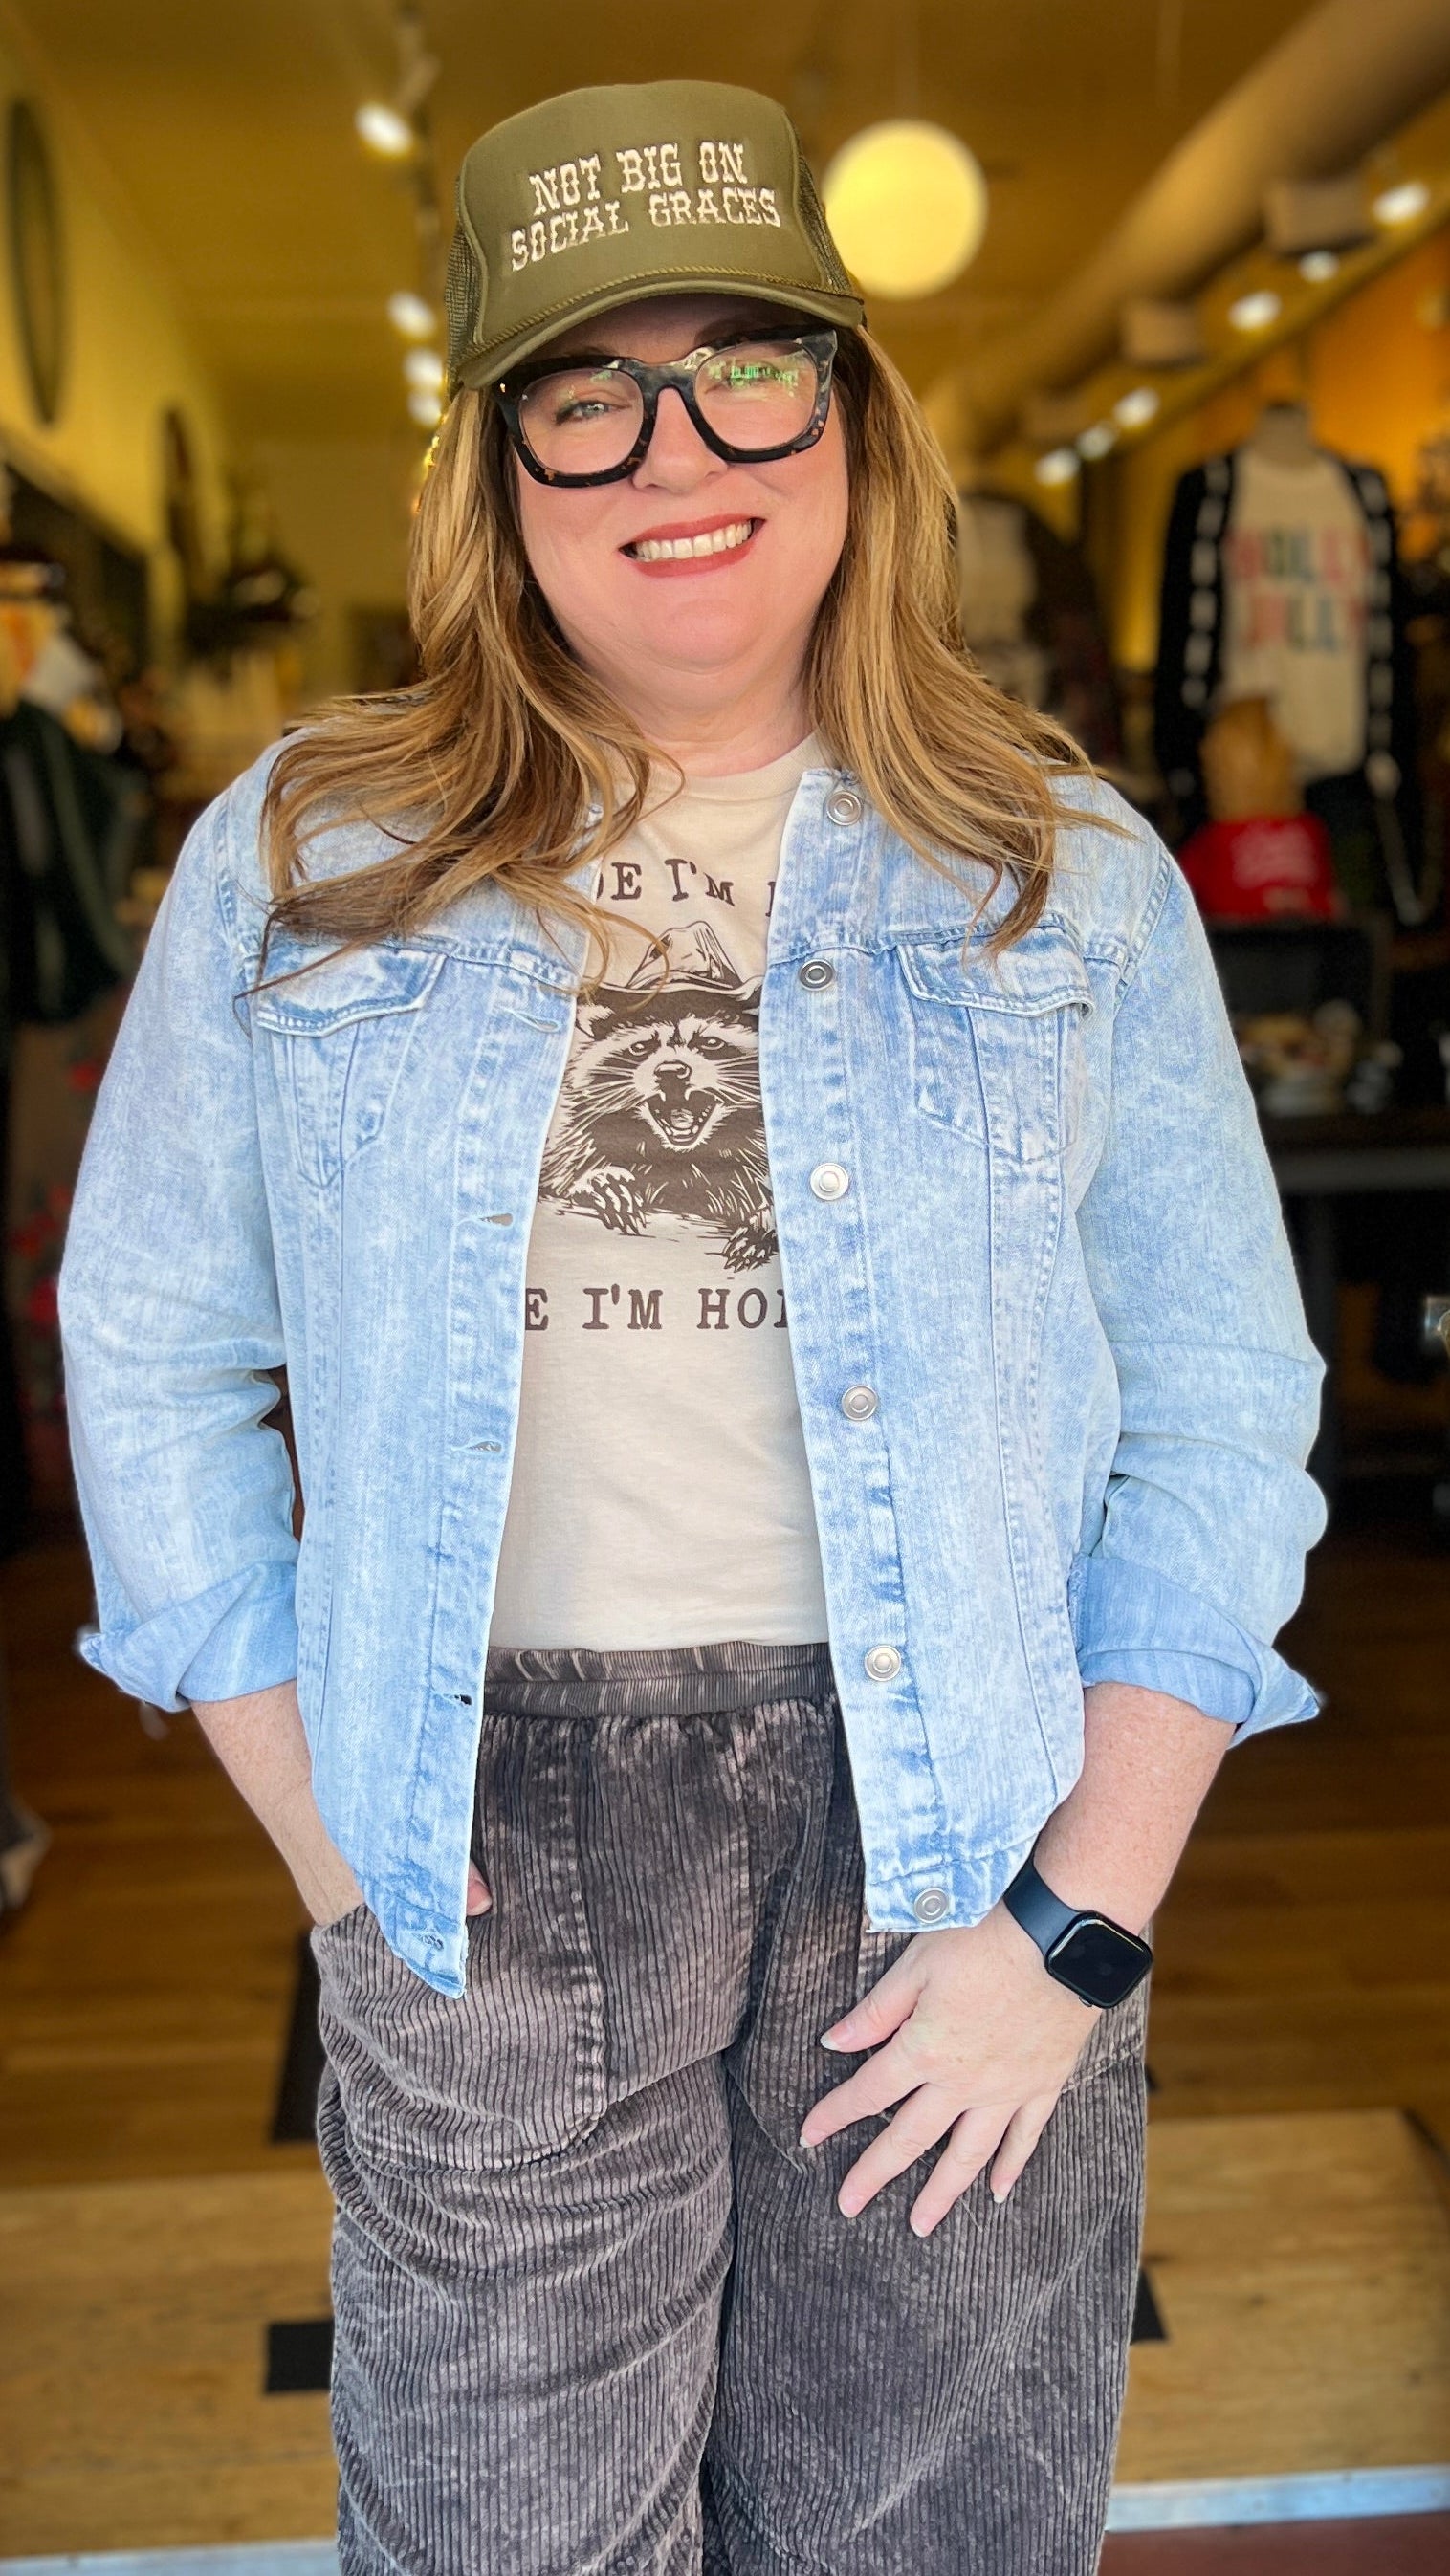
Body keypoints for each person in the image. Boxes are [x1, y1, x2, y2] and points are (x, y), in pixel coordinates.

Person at [60, 79, 1326, 2576]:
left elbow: (1220, 1403)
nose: (679, 453)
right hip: (483, 1834)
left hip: (956, 1836)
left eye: (750, 368)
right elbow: (150, 1346)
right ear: (494, 468)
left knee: (926, 2545)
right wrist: (343, 1869)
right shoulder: (306, 856)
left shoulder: (1062, 868)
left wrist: (1077, 1918)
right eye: (587, 394)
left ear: (852, 423)